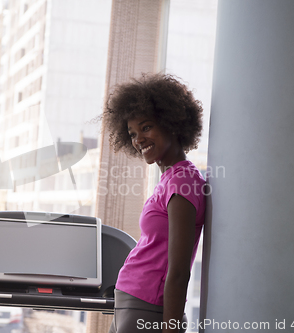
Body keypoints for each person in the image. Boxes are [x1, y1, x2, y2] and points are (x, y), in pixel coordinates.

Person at [103, 73, 206, 333]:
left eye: (146, 127)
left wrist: (171, 328)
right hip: (130, 301)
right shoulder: (169, 178)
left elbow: (178, 271)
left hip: (146, 307)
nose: (138, 140)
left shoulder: (183, 181)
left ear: (172, 123)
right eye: (133, 133)